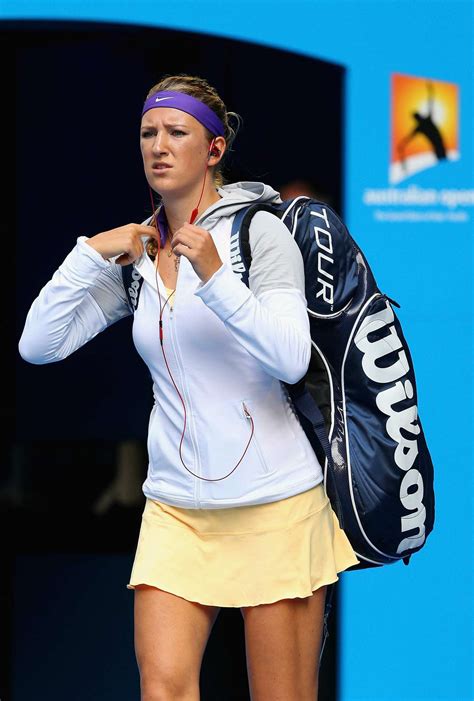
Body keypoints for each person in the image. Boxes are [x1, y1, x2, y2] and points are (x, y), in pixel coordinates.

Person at [18, 73, 359, 701]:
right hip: (176, 508)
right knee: (164, 690)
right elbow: (38, 345)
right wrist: (92, 251)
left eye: (177, 132)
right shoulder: (138, 255)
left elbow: (289, 357)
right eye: (148, 132)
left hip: (275, 505)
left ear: (214, 149)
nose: (159, 145)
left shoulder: (261, 234)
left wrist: (214, 275)